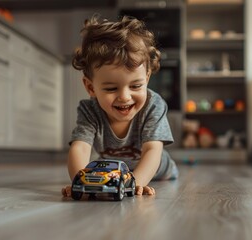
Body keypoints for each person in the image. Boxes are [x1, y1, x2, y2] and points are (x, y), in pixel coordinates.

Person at [62, 15, 178, 198]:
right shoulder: (89, 110)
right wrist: (79, 182)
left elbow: (152, 150)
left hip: (157, 168)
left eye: (135, 86)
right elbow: (81, 148)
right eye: (111, 88)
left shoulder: (153, 105)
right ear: (91, 87)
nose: (124, 97)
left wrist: (134, 184)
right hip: (113, 169)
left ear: (147, 77)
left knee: (167, 175)